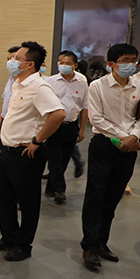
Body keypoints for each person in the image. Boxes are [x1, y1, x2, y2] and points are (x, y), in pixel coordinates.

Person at [0, 42, 65, 261]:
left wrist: (38, 141)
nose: (12, 61)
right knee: (2, 196)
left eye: (17, 58)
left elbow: (58, 114)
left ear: (30, 64)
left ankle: (23, 245)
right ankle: (9, 237)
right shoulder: (18, 83)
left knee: (28, 202)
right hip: (8, 151)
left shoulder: (39, 87)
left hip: (25, 153)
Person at [80, 43, 140, 272]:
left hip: (128, 148)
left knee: (112, 197)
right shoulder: (97, 86)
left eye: (133, 60)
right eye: (125, 60)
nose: (131, 65)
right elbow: (97, 119)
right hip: (104, 145)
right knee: (95, 196)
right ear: (112, 64)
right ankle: (89, 246)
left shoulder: (139, 86)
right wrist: (124, 137)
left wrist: (134, 136)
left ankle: (101, 242)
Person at [44, 50, 89, 204]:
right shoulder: (50, 81)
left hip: (71, 126)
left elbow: (84, 107)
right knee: (55, 158)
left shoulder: (82, 81)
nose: (63, 66)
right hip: (53, 126)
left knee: (63, 160)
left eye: (67, 63)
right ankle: (60, 190)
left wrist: (82, 129)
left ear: (75, 65)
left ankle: (51, 187)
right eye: (61, 63)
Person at [0, 46, 21, 146]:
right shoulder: (10, 80)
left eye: (13, 58)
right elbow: (4, 105)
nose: (10, 61)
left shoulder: (27, 82)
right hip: (5, 121)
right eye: (8, 58)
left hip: (17, 124)